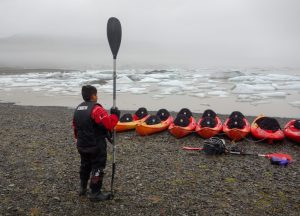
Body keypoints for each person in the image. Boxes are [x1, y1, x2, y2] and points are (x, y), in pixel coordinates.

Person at [72, 85, 120, 201]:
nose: (97, 97)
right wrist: (115, 115)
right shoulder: (96, 109)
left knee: (85, 165)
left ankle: (82, 188)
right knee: (97, 167)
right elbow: (108, 124)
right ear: (93, 95)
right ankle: (95, 192)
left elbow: (75, 127)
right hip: (95, 145)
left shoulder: (78, 109)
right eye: (96, 94)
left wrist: (78, 140)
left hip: (82, 144)